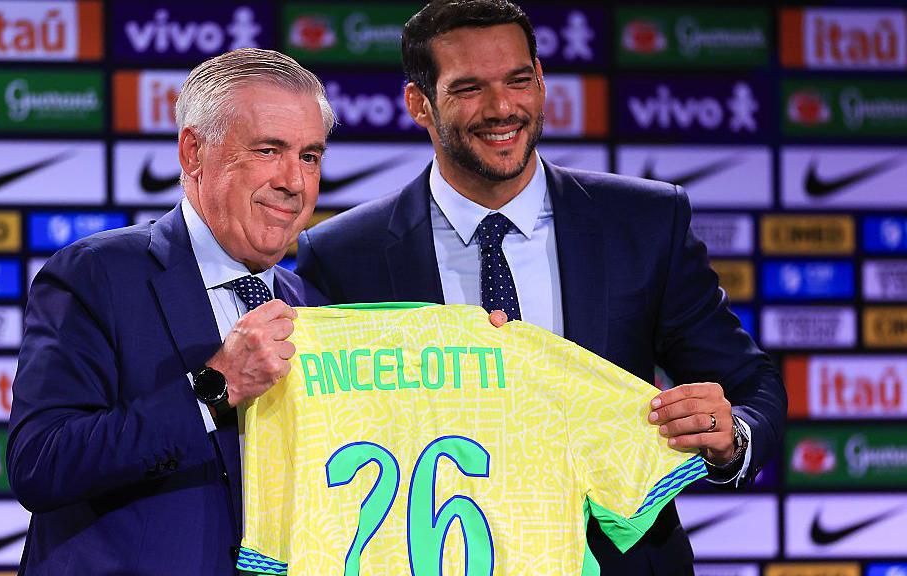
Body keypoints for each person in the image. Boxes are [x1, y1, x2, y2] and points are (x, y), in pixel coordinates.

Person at [295, 1, 786, 574]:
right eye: (469, 89)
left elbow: (752, 384)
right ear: (419, 106)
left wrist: (732, 439)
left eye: (519, 80)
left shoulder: (645, 222)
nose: (502, 108)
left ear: (542, 81)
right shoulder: (342, 256)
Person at [7, 48, 333, 575]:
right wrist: (213, 388)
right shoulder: (98, 275)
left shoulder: (314, 307)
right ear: (193, 153)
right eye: (268, 150)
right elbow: (41, 463)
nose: (294, 182)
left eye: (310, 156)